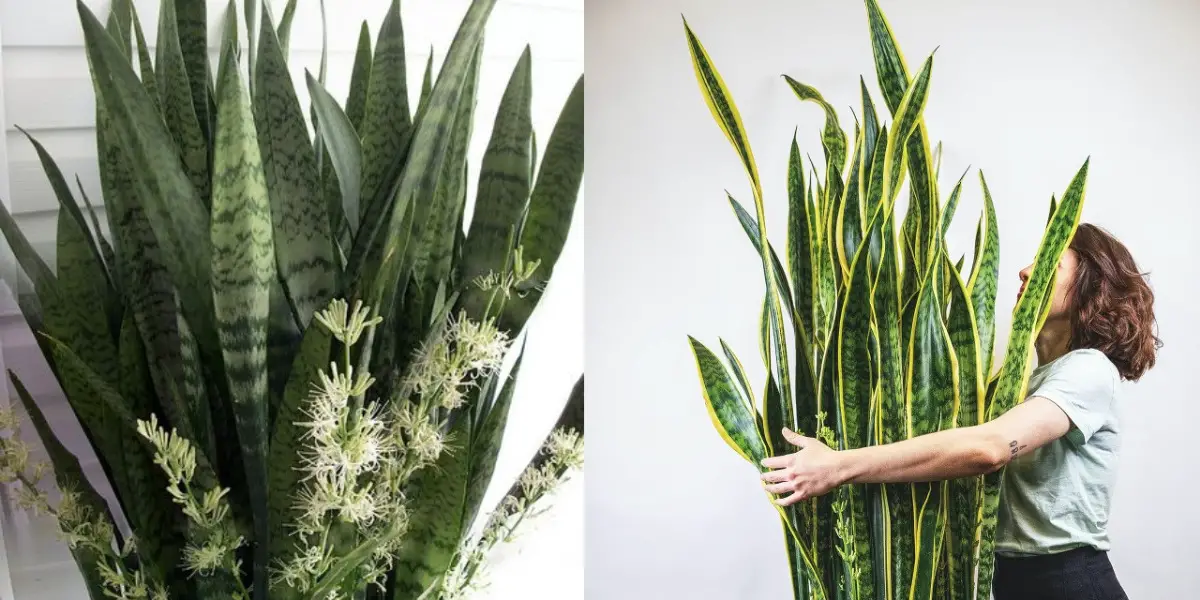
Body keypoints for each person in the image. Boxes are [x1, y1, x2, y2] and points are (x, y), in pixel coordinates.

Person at [758, 223, 1160, 600]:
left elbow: (989, 448)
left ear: (1093, 285)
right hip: (1016, 579)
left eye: (1048, 264)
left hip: (1068, 581)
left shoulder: (1089, 368)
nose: (1024, 271)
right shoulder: (1027, 383)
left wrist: (837, 467)